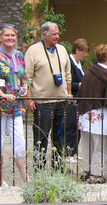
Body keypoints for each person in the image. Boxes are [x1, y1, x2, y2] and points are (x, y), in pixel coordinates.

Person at [0, 24, 30, 186]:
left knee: (20, 142)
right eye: (7, 35)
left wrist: (24, 89)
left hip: (15, 107)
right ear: (0, 37)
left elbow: (24, 77)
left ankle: (25, 177)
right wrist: (2, 95)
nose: (10, 38)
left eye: (13, 35)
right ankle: (1, 179)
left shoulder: (19, 56)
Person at [25, 21, 72, 169]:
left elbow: (67, 74)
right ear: (44, 34)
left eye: (58, 33)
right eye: (54, 34)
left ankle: (58, 167)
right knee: (41, 136)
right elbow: (27, 77)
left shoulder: (62, 49)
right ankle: (39, 168)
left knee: (59, 136)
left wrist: (69, 94)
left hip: (61, 100)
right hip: (42, 102)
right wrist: (29, 98)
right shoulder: (33, 51)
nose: (57, 36)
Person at [77, 44, 107, 182]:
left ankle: (86, 170)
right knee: (101, 146)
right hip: (100, 115)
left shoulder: (89, 72)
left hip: (85, 113)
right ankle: (97, 174)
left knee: (87, 144)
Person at [65, 38, 89, 162]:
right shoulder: (70, 62)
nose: (85, 55)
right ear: (77, 50)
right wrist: (78, 85)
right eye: (83, 52)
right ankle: (68, 152)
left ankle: (74, 151)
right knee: (70, 126)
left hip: (79, 99)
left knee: (77, 126)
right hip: (72, 98)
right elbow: (67, 82)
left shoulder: (79, 64)